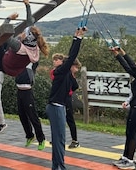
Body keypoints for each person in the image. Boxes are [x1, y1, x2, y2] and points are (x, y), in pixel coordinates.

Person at [47, 27, 86, 170]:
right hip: (56, 106)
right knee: (59, 140)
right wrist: (78, 38)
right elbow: (72, 55)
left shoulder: (67, 74)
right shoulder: (61, 71)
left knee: (59, 139)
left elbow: (74, 85)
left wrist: (77, 37)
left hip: (59, 106)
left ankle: (56, 166)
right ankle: (60, 167)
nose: (56, 61)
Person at [110, 46, 136, 169]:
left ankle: (129, 161)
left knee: (132, 133)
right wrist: (117, 55)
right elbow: (128, 68)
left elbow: (133, 67)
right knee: (129, 132)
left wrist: (123, 53)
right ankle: (126, 158)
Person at [50, 53, 80, 149]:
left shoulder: (66, 72)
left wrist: (68, 91)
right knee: (58, 118)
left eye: (56, 60)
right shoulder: (57, 71)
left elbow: (75, 85)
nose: (54, 61)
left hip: (66, 98)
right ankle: (57, 138)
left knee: (69, 118)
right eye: (53, 60)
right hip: (59, 96)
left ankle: (75, 140)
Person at [16, 63, 46, 150]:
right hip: (19, 91)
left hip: (27, 92)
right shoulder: (18, 60)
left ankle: (41, 139)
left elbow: (36, 56)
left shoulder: (31, 62)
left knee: (33, 116)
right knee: (22, 115)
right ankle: (29, 136)